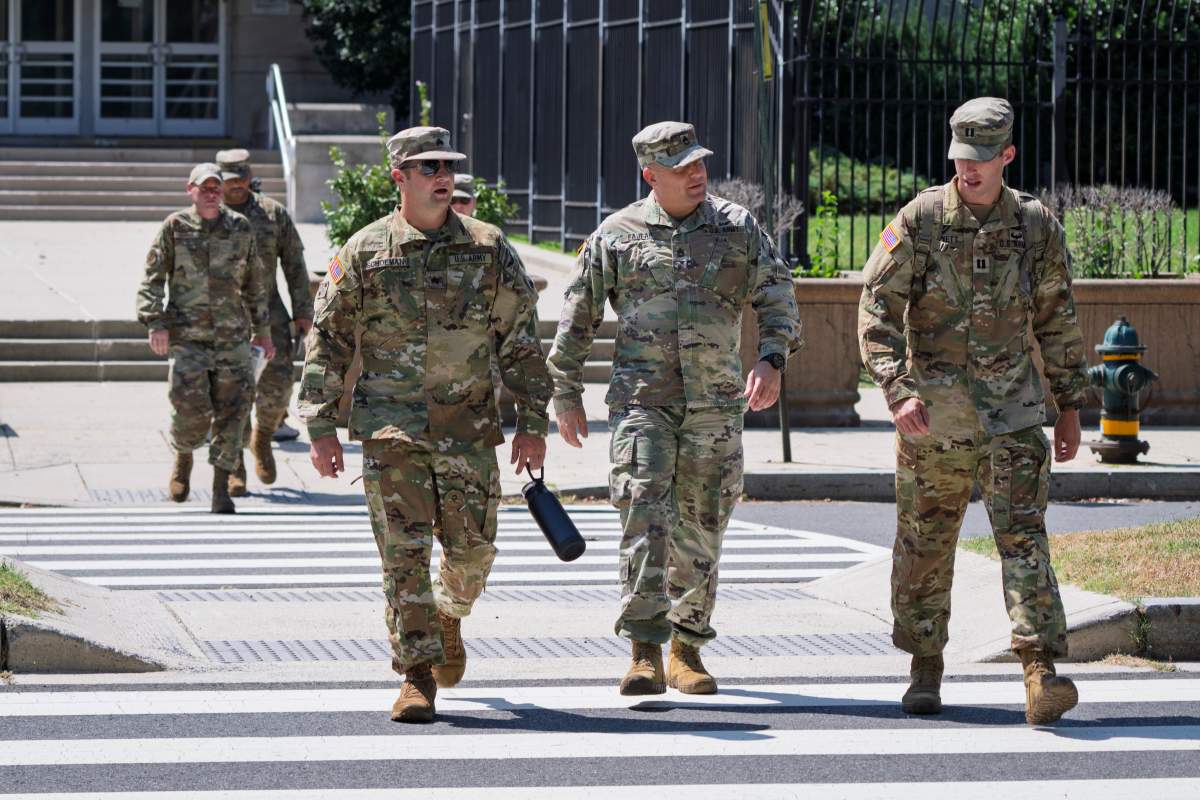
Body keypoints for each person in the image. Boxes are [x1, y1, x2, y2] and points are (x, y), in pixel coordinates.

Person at [299, 126, 551, 723]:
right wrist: (320, 424)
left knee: (473, 554)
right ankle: (416, 676)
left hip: (469, 429)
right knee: (402, 557)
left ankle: (449, 615)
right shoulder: (364, 251)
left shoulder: (489, 249)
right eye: (429, 166)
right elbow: (329, 341)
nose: (444, 176)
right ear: (399, 177)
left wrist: (533, 418)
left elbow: (520, 340)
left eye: (449, 165)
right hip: (392, 431)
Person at [548, 121, 801, 696]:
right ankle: (643, 649)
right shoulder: (617, 234)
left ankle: (688, 647)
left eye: (698, 162)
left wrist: (772, 358)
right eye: (681, 166)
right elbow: (578, 314)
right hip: (643, 404)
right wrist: (564, 393)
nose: (696, 173)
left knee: (703, 525)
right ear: (650, 175)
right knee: (643, 520)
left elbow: (778, 293)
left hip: (715, 404)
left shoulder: (737, 229)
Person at [857, 97, 1088, 725]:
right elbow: (876, 306)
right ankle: (924, 667)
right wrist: (896, 388)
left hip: (1013, 418)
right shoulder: (922, 219)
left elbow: (1058, 320)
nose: (969, 170)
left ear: (1007, 155)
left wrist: (1070, 404)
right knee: (925, 546)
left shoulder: (1036, 227)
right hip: (933, 424)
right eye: (961, 158)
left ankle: (1039, 670)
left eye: (982, 159)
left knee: (1024, 542)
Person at [136, 163, 275, 514]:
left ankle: (220, 488)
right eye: (205, 187)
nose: (212, 193)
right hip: (189, 338)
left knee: (234, 411)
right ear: (191, 190)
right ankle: (183, 456)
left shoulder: (239, 228)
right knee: (188, 409)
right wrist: (156, 322)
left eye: (217, 187)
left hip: (232, 338)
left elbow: (255, 285)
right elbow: (152, 278)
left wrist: (264, 332)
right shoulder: (175, 227)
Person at [215, 148, 312, 495]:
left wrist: (303, 311)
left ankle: (264, 437)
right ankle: (235, 466)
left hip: (270, 315)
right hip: (225, 318)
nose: (237, 185)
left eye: (243, 178)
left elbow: (295, 266)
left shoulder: (272, 214)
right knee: (231, 395)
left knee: (279, 386)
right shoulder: (211, 215)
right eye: (230, 180)